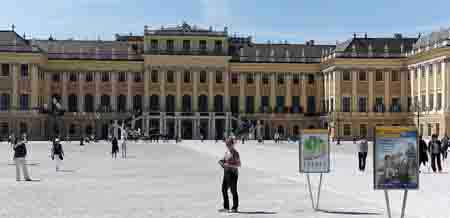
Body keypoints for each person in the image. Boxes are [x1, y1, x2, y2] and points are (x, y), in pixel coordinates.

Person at [218, 137, 241, 213]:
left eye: (228, 144)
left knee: (233, 190)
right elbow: (224, 159)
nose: (227, 146)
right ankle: (226, 207)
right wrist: (221, 162)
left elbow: (238, 164)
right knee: (224, 189)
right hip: (226, 173)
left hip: (233, 174)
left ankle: (235, 207)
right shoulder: (227, 152)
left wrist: (229, 165)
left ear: (232, 144)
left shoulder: (235, 153)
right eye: (226, 144)